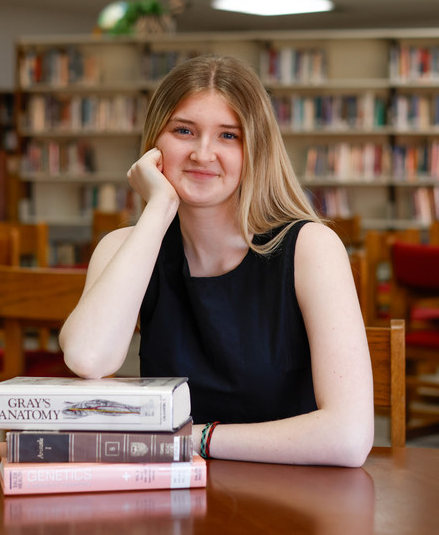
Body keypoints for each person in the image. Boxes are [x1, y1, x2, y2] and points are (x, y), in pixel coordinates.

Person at [60, 55, 373, 467]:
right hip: (174, 496)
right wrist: (159, 207)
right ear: (155, 142)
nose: (203, 154)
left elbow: (349, 438)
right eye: (184, 131)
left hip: (290, 496)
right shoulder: (127, 247)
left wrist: (195, 438)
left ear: (255, 149)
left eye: (229, 136)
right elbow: (88, 358)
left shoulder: (311, 247)